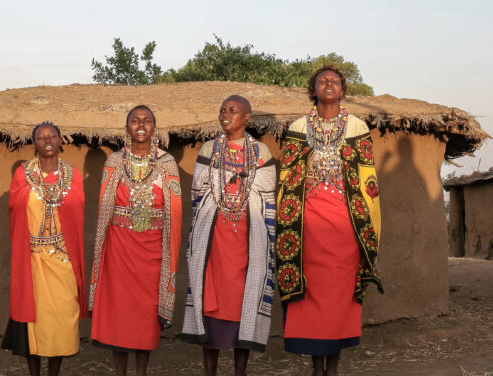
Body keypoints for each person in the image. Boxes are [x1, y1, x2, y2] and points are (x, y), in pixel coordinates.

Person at [276, 66, 383, 376]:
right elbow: (287, 179)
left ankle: (333, 367)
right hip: (306, 225)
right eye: (322, 80)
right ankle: (315, 366)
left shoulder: (357, 126)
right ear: (314, 88)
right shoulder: (298, 126)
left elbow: (367, 180)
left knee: (340, 295)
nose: (328, 84)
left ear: (343, 89)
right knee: (311, 295)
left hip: (345, 223)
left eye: (334, 80)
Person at [182, 95, 276, 376]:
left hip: (247, 242)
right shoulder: (209, 149)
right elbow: (197, 194)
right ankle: (209, 371)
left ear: (246, 118)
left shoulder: (261, 152)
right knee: (210, 300)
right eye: (223, 110)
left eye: (233, 110)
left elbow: (268, 197)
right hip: (214, 242)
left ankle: (240, 371)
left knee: (242, 304)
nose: (226, 114)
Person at [89, 105, 182, 376]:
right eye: (135, 120)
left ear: (155, 127)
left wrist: (168, 250)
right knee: (121, 315)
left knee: (145, 316)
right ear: (126, 127)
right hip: (120, 247)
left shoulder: (166, 163)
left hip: (153, 251)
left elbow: (173, 213)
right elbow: (105, 208)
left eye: (147, 120)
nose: (141, 125)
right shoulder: (115, 161)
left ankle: (141, 372)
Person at [1, 121, 86, 376]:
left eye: (52, 136)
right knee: (34, 323)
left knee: (61, 320)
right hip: (32, 260)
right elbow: (16, 215)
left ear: (61, 140)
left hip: (62, 260)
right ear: (34, 143)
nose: (47, 140)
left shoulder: (73, 175)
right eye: (41, 137)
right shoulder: (22, 175)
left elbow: (76, 215)